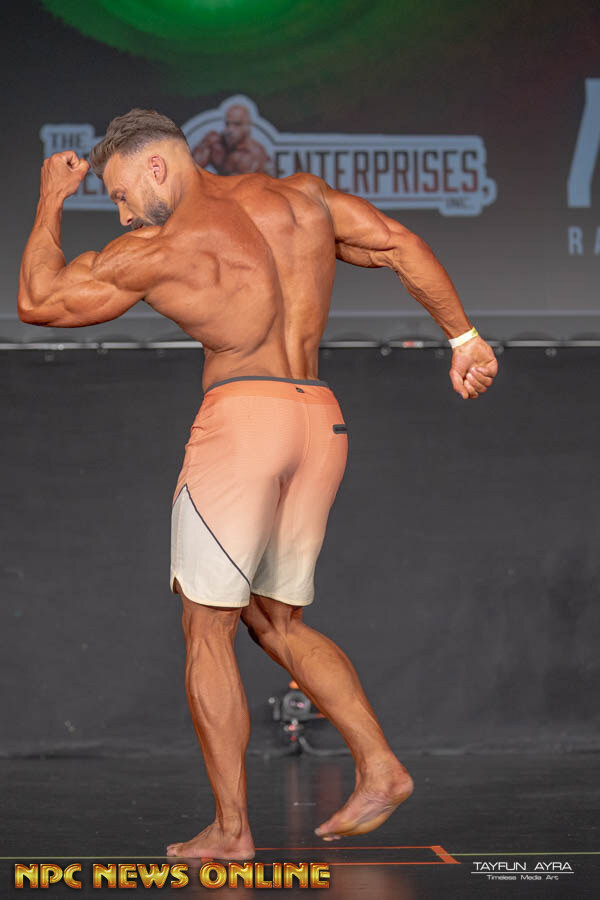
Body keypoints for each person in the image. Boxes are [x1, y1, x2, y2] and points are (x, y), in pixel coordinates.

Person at [18, 108, 498, 861]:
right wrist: (463, 337)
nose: (120, 213)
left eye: (118, 193)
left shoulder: (163, 245)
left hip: (243, 421)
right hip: (319, 422)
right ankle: (380, 766)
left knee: (206, 629)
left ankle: (232, 828)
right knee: (277, 621)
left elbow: (39, 301)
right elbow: (399, 243)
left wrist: (51, 195)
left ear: (155, 165)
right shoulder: (301, 199)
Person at [191, 102, 273, 175]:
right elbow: (191, 171)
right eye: (228, 124)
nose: (230, 129)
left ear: (248, 126)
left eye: (237, 124)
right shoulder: (215, 145)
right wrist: (203, 145)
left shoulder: (254, 155)